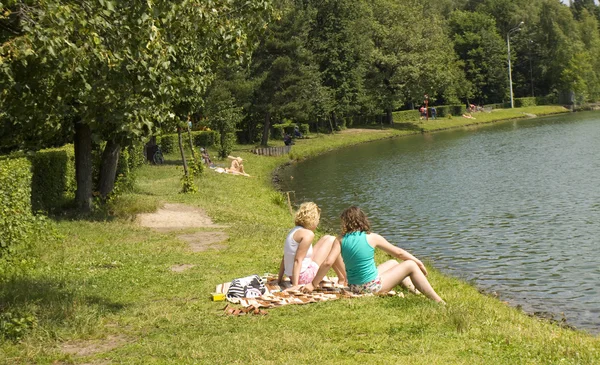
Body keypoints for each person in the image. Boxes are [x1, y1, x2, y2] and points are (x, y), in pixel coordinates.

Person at [302, 206, 445, 304]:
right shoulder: (372, 237)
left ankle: (416, 292)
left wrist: (312, 284)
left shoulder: (340, 239)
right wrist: (418, 262)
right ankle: (438, 301)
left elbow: (328, 262)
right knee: (410, 265)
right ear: (362, 220)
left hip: (354, 287)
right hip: (371, 287)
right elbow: (399, 252)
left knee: (393, 264)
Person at [278, 202, 346, 291]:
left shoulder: (294, 231)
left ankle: (342, 278)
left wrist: (279, 279)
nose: (318, 223)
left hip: (293, 275)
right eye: (318, 219)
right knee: (332, 240)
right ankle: (347, 277)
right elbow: (298, 260)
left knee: (327, 238)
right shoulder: (308, 234)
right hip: (303, 277)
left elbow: (285, 257)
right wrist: (295, 285)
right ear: (313, 219)